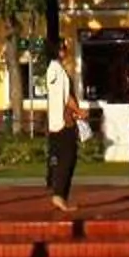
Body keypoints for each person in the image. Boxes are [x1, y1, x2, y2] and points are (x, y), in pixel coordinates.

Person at [42, 49, 79, 212]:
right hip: (62, 122)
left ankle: (60, 194)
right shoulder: (55, 70)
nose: (66, 51)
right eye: (63, 48)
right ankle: (58, 194)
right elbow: (64, 96)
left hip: (61, 121)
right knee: (67, 158)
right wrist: (77, 110)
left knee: (65, 157)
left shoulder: (58, 69)